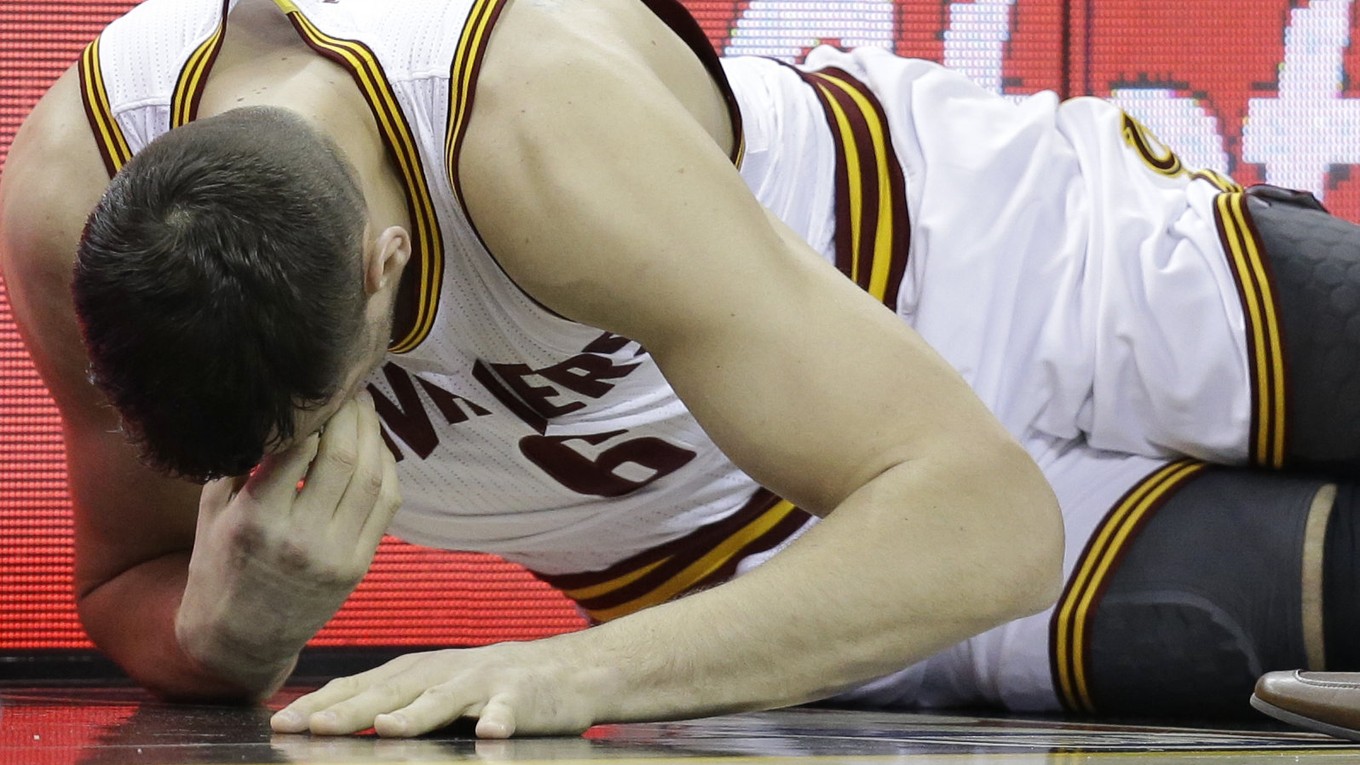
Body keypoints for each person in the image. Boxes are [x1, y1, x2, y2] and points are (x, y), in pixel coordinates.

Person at [0, 0, 1357, 739]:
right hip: (763, 568)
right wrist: (236, 626)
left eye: (329, 400)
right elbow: (127, 583)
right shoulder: (74, 202)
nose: (320, 445)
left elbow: (977, 510)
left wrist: (568, 674)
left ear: (384, 260)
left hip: (1001, 260)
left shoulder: (525, 112)